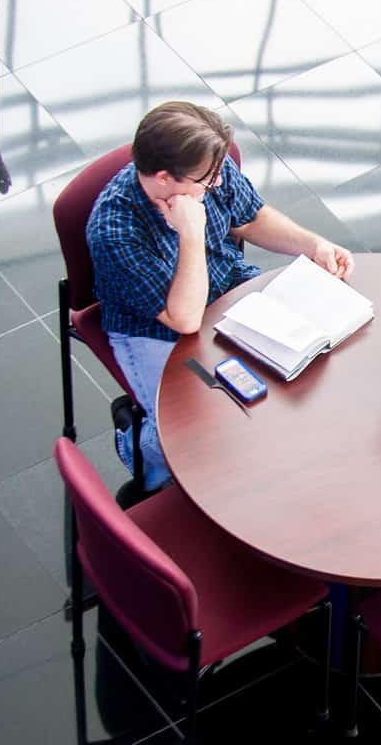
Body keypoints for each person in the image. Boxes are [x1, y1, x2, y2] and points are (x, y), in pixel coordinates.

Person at [87, 101, 354, 491]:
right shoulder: (114, 231)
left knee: (302, 364)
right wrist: (192, 231)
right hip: (157, 330)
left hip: (226, 286)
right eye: (204, 183)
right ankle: (140, 447)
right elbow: (184, 318)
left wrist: (314, 245)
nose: (215, 185)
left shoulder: (205, 165)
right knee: (195, 433)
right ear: (164, 178)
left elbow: (252, 218)